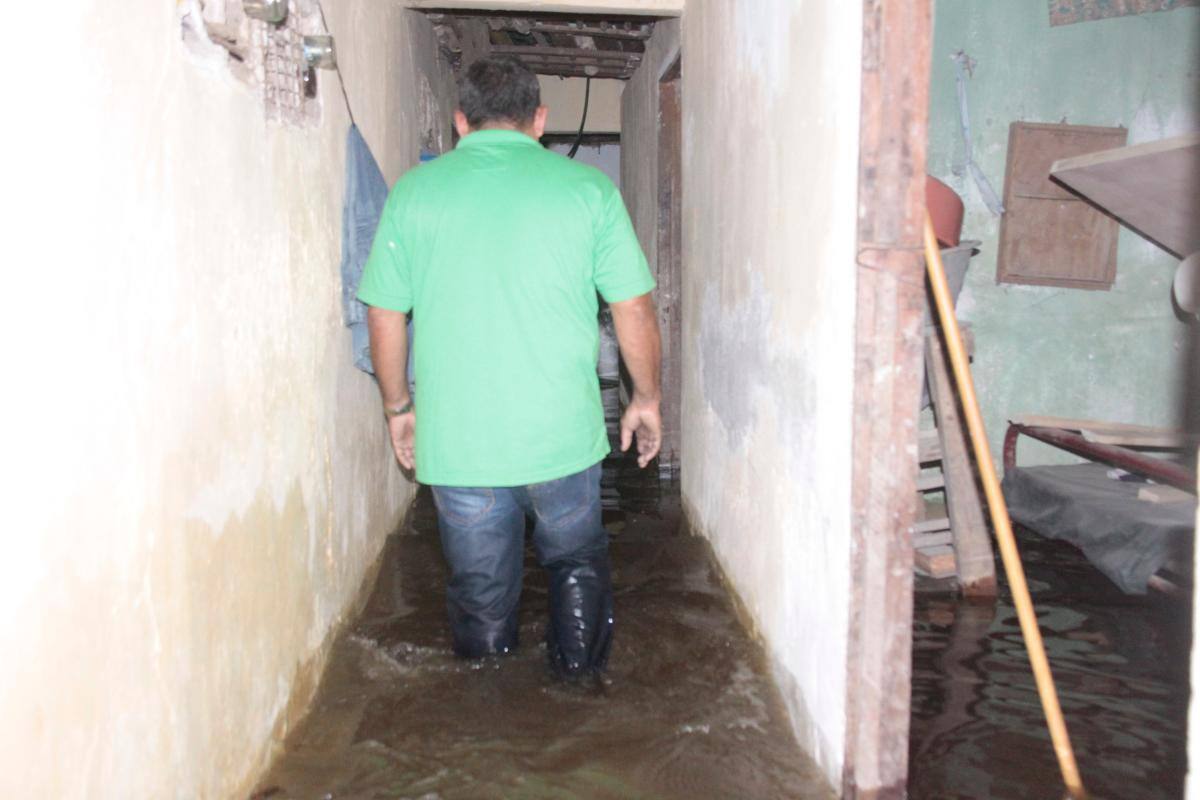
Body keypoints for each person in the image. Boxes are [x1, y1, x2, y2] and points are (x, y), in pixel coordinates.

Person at [356, 56, 662, 678]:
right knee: (576, 564)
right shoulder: (588, 191)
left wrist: (398, 408)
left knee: (480, 595)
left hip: (462, 446)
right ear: (541, 119)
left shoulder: (414, 193)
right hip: (562, 441)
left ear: (460, 122)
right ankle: (577, 694)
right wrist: (645, 398)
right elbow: (632, 305)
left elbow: (385, 314)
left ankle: (490, 718)